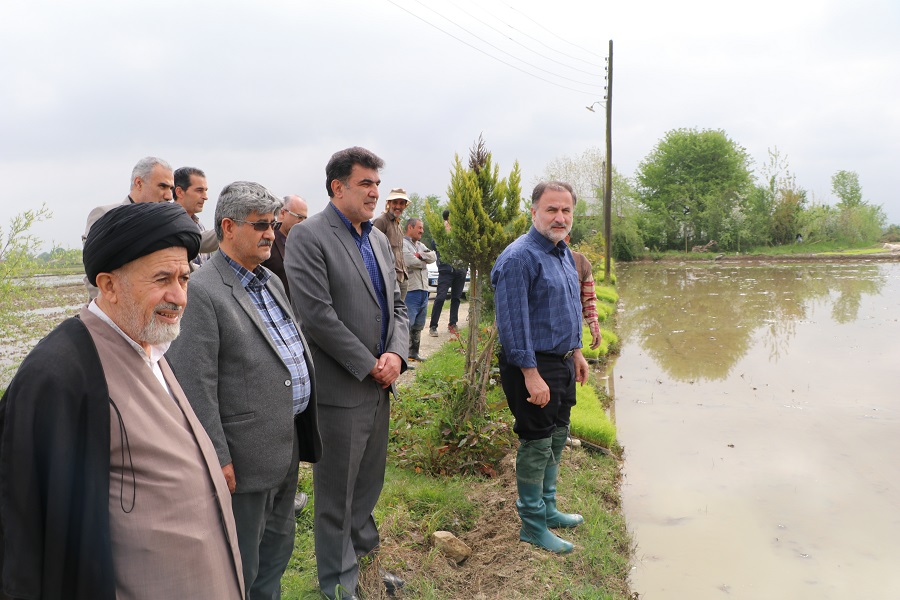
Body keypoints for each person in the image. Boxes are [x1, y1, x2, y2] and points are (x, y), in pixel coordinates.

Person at [0, 202, 244, 600]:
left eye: (184, 278)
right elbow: (34, 538)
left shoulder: (151, 343)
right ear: (109, 285)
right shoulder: (60, 375)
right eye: (162, 279)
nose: (179, 296)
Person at [166, 181, 322, 600]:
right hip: (242, 460)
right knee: (241, 563)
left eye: (273, 223)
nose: (271, 233)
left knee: (277, 550)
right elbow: (195, 383)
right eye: (261, 225)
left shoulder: (269, 281)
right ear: (228, 227)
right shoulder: (202, 291)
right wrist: (218, 457)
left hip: (284, 444)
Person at [285, 146, 408, 600]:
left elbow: (398, 306)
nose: (375, 192)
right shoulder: (310, 237)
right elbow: (317, 316)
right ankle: (338, 584)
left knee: (367, 487)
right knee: (337, 495)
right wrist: (369, 364)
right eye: (365, 183)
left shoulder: (377, 240)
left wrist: (396, 355)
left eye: (377, 183)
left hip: (379, 388)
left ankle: (365, 569)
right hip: (341, 391)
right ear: (337, 187)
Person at [491, 180, 590, 555]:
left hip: (562, 361)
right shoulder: (519, 258)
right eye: (551, 209)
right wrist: (531, 375)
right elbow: (513, 325)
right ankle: (532, 525)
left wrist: (577, 352)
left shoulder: (561, 252)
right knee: (536, 442)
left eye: (566, 210)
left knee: (557, 434)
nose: (560, 217)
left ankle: (548, 508)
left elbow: (567, 307)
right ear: (533, 212)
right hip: (532, 364)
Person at [82, 156, 175, 298]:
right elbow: (92, 272)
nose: (169, 196)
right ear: (139, 183)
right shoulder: (106, 215)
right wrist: (112, 307)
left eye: (171, 188)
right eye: (162, 186)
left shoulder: (164, 224)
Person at [261, 194, 308, 299]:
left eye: (305, 218)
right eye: (299, 217)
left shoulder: (304, 244)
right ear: (282, 213)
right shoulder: (267, 241)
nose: (303, 223)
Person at [428, 209, 467, 336]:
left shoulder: (460, 231)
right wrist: (445, 233)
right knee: (440, 297)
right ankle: (433, 326)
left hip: (460, 270)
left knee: (456, 298)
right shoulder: (441, 231)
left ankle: (452, 324)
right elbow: (434, 246)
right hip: (446, 270)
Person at [402, 217, 436, 362]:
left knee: (419, 325)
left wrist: (420, 255)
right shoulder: (403, 244)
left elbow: (433, 256)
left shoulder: (420, 245)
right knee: (407, 324)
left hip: (423, 290)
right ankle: (402, 357)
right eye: (419, 228)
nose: (422, 231)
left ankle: (413, 353)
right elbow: (409, 260)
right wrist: (424, 262)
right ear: (410, 227)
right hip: (411, 290)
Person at [173, 166, 219, 266]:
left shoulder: (199, 225)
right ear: (179, 192)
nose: (205, 197)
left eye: (205, 190)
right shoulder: (170, 225)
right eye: (199, 190)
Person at [565, 235, 602, 351]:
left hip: (572, 336)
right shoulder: (536, 260)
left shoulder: (580, 262)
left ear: (566, 239)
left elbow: (588, 299)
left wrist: (594, 327)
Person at [372, 187, 409, 301]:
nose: (398, 206)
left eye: (401, 203)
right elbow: (372, 249)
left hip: (402, 277)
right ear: (389, 203)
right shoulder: (381, 221)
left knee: (400, 310)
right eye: (395, 202)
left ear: (405, 205)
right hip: (389, 277)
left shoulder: (398, 224)